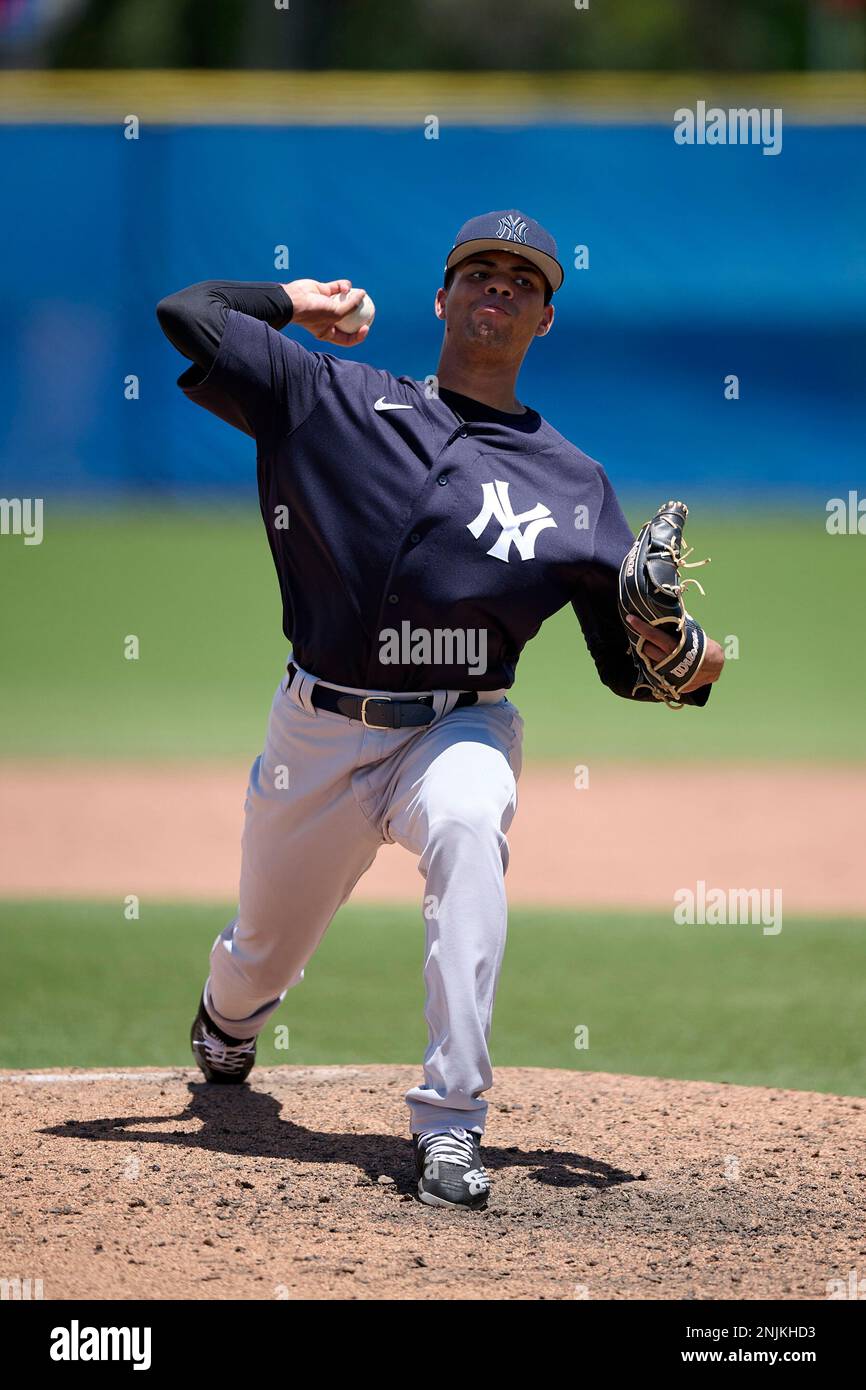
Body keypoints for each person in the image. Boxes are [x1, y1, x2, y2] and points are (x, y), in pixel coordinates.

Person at [156, 209, 724, 1210]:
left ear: (544, 317)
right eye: (477, 270)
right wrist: (298, 302)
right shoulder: (328, 393)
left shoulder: (573, 485)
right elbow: (186, 314)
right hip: (316, 734)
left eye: (522, 278)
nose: (496, 287)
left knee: (468, 821)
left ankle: (451, 1123)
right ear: (441, 297)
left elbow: (631, 668)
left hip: (457, 724)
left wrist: (684, 654)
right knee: (258, 956)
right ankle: (228, 1022)